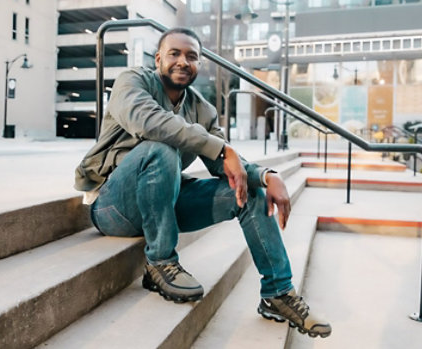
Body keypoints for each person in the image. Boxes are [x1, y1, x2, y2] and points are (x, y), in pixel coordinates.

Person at [74, 27, 331, 338]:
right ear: (158, 59)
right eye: (175, 54)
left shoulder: (202, 110)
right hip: (114, 207)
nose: (183, 61)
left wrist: (266, 175)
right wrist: (221, 148)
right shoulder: (132, 81)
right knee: (160, 148)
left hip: (162, 200)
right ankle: (160, 263)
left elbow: (226, 164)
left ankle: (277, 293)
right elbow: (149, 122)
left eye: (192, 57)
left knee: (248, 193)